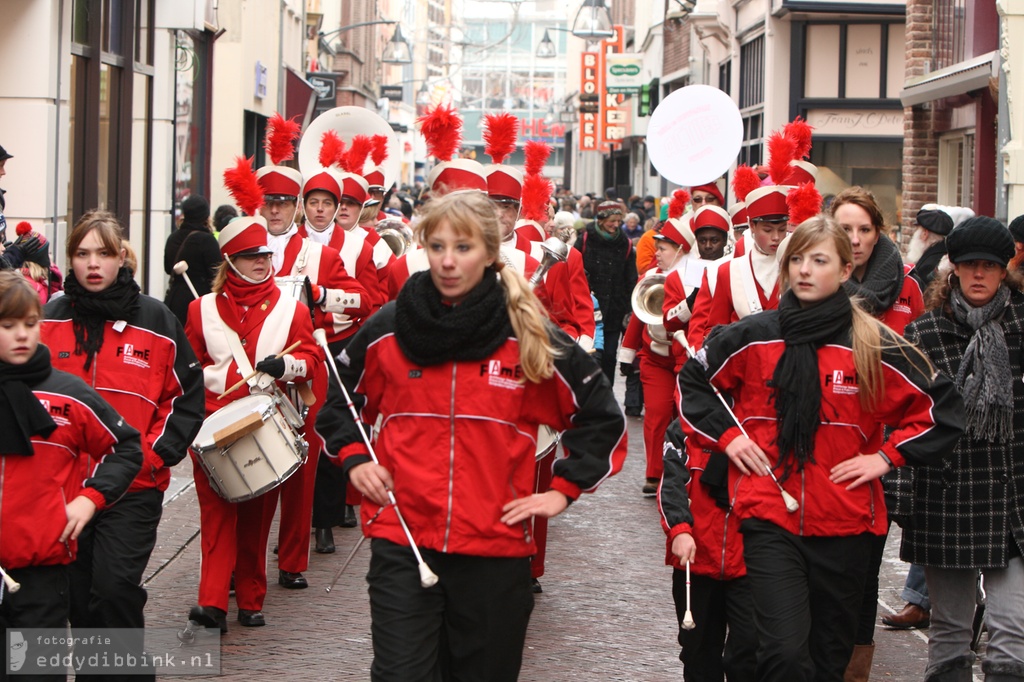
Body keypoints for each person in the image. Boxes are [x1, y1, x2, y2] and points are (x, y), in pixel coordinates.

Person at [317, 191, 627, 681]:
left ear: (489, 251)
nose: (447, 260)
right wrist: (356, 458)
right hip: (405, 539)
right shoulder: (389, 327)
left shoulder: (528, 334)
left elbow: (601, 417)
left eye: (462, 248)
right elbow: (340, 403)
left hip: (494, 549)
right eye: (436, 246)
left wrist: (561, 492)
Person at [679, 215, 964, 682]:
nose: (805, 270)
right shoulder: (752, 336)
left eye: (819, 260)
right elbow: (694, 382)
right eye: (797, 260)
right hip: (769, 517)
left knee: (828, 661)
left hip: (847, 523)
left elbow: (942, 410)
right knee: (784, 656)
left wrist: (885, 457)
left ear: (846, 271)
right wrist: (729, 439)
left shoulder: (874, 345)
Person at [42, 210, 205, 672]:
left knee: (114, 591)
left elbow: (185, 396)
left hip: (131, 488)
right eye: (82, 253)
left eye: (103, 253)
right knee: (80, 603)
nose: (93, 263)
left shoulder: (156, 319)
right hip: (64, 492)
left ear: (121, 259)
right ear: (70, 260)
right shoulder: (49, 319)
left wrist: (152, 457)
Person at [184, 203, 320, 633]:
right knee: (217, 516)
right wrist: (224, 375)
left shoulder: (290, 309)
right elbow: (188, 367)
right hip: (213, 425)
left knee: (256, 518)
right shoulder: (200, 309)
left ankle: (251, 597)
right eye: (251, 258)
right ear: (230, 262)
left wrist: (287, 367)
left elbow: (311, 358)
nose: (262, 264)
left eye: (265, 256)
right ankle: (212, 604)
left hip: (263, 426)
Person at [0, 270, 142, 680]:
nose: (22, 335)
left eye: (30, 324)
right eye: (8, 326)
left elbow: (125, 446)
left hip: (40, 575)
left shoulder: (69, 393)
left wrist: (91, 497)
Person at [901, 216, 1024, 682]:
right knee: (950, 632)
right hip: (945, 497)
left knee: (1011, 629)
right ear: (953, 270)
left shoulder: (1022, 324)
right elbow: (904, 417)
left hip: (1013, 495)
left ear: (1003, 270)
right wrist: (903, 499)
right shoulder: (924, 333)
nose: (978, 275)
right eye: (969, 265)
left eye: (988, 267)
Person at [659, 420, 756, 682]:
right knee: (698, 653)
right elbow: (671, 483)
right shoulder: (684, 428)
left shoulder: (764, 423)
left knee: (749, 654)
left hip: (751, 562)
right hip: (696, 558)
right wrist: (679, 529)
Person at [619, 217, 690, 495]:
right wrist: (627, 354)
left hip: (685, 358)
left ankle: (680, 469)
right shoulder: (648, 277)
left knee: (681, 415)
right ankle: (654, 473)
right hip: (655, 358)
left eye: (663, 248)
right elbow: (638, 318)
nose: (656, 252)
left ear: (681, 249)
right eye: (657, 247)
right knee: (658, 414)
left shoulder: (695, 278)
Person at [575, 200, 638, 382]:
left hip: (614, 310)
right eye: (612, 220)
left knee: (610, 356)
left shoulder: (624, 244)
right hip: (588, 307)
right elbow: (574, 268)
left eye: (619, 221)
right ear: (601, 219)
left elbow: (630, 279)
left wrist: (628, 308)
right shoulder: (586, 239)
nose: (616, 225)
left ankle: (606, 392)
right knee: (590, 353)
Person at [164, 195, 223, 326]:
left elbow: (168, 269)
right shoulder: (207, 240)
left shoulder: (172, 238)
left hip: (175, 300)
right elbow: (217, 274)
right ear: (205, 216)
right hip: (200, 301)